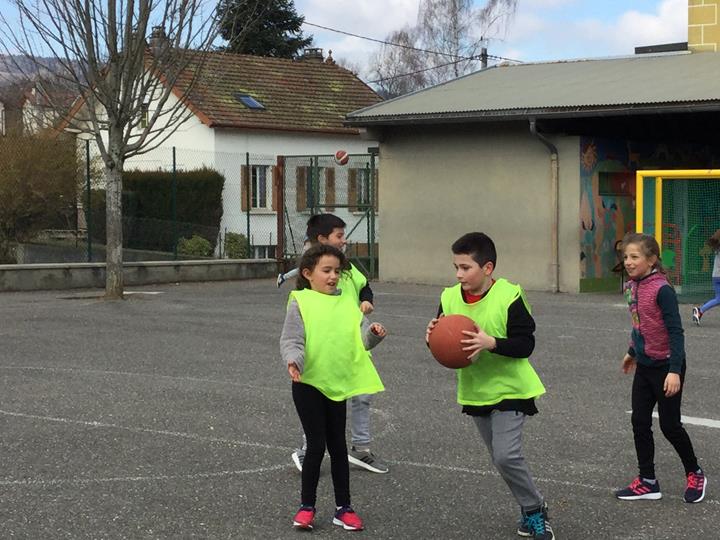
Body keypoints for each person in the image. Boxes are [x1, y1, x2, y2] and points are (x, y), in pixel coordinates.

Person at [425, 232, 553, 540]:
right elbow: (445, 340)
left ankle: (535, 510)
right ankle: (530, 508)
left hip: (512, 389)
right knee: (501, 459)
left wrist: (491, 343)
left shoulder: (509, 296)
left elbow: (526, 345)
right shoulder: (449, 297)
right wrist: (431, 336)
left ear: (487, 268)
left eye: (466, 267)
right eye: (456, 266)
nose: (459, 274)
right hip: (476, 390)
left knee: (505, 456)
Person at [280, 244, 386, 531]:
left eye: (337, 271)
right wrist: (294, 361)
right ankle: (307, 507)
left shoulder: (347, 304)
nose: (333, 276)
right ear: (308, 273)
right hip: (308, 384)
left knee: (338, 447)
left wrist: (373, 335)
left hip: (336, 384)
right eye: (326, 271)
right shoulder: (299, 301)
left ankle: (344, 508)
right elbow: (292, 339)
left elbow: (361, 339)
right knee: (316, 446)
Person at [285, 214, 388, 474]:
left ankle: (361, 449)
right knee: (319, 399)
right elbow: (293, 334)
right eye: (339, 236)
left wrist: (366, 302)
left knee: (362, 396)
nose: (345, 240)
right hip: (324, 350)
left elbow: (365, 287)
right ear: (322, 239)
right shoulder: (310, 281)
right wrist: (295, 357)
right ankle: (309, 449)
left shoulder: (349, 268)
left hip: (352, 339)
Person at [615, 232, 707, 503]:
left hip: (667, 365)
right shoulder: (631, 287)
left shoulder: (661, 289)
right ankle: (647, 481)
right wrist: (632, 352)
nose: (629, 262)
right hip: (644, 364)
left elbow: (676, 332)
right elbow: (639, 323)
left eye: (635, 257)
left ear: (651, 259)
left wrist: (675, 370)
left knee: (670, 425)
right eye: (626, 257)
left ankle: (695, 472)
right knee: (639, 421)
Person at [692, 229, 720, 325]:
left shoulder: (716, 247)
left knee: (719, 298)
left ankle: (699, 311)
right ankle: (700, 310)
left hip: (715, 276)